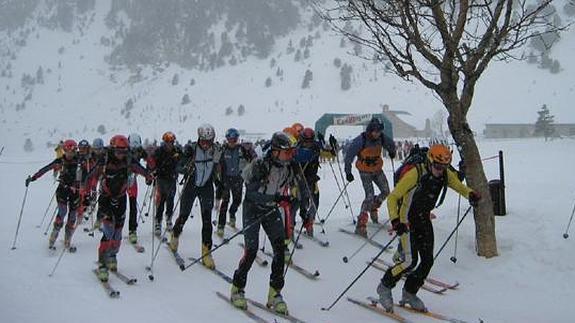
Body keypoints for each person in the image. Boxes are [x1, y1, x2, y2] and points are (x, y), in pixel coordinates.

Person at [377, 143, 481, 313]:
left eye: (444, 167)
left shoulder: (445, 174)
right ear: (430, 161)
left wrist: (470, 194)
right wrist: (396, 221)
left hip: (423, 218)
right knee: (409, 262)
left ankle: (409, 293)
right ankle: (384, 287)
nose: (440, 170)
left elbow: (459, 185)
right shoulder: (415, 174)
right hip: (406, 220)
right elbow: (393, 197)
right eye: (438, 166)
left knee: (427, 261)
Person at [230, 132, 299, 315]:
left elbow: (292, 186)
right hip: (253, 209)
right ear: (276, 151)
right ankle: (237, 288)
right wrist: (276, 197)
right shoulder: (261, 166)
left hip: (271, 209)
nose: (290, 155)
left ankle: (274, 294)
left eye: (291, 152)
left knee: (280, 249)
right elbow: (251, 194)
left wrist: (293, 195)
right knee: (251, 251)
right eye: (287, 152)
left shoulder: (288, 167)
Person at [89, 135, 153, 282]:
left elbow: (142, 170)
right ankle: (103, 265)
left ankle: (113, 256)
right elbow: (91, 175)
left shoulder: (129, 160)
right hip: (105, 200)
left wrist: (149, 177)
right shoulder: (105, 160)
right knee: (108, 232)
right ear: (112, 149)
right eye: (118, 151)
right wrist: (87, 191)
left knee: (117, 235)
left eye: (124, 152)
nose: (121, 155)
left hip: (121, 199)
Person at [169, 124, 221, 270]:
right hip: (191, 186)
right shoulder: (190, 149)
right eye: (203, 141)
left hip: (206, 187)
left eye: (209, 141)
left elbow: (217, 167)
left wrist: (219, 183)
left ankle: (206, 252)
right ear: (199, 139)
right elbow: (178, 166)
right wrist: (186, 168)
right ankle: (175, 235)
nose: (206, 144)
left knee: (207, 220)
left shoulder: (216, 150)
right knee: (184, 215)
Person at [26, 140, 85, 250]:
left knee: (72, 217)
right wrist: (33, 178)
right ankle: (53, 238)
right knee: (62, 213)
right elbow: (45, 169)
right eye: (68, 151)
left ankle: (67, 240)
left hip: (75, 192)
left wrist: (81, 186)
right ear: (64, 150)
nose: (70, 153)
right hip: (63, 190)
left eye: (73, 151)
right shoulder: (60, 161)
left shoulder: (80, 162)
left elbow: (85, 174)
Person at [344, 117, 396, 237]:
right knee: (369, 195)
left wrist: (392, 151)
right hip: (365, 171)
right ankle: (361, 224)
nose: (377, 134)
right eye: (375, 132)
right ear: (370, 130)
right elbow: (349, 156)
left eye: (379, 132)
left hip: (377, 169)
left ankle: (374, 206)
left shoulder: (381, 137)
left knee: (386, 191)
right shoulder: (360, 140)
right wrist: (348, 172)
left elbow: (390, 144)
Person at [215, 128, 256, 236]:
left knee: (237, 200)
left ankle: (232, 213)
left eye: (234, 140)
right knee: (225, 202)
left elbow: (254, 157)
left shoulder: (242, 149)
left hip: (238, 178)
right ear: (227, 139)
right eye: (230, 140)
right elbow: (217, 162)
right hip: (226, 179)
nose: (232, 142)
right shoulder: (223, 150)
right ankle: (221, 225)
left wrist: (250, 150)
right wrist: (218, 177)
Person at [293, 127, 332, 237]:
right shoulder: (297, 146)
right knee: (300, 201)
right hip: (299, 179)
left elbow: (328, 154)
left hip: (312, 179)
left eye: (310, 141)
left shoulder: (316, 146)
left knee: (315, 201)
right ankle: (291, 224)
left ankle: (309, 221)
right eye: (306, 141)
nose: (308, 143)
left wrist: (332, 148)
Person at [148, 131, 181, 236]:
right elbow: (152, 163)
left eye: (171, 142)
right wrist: (152, 172)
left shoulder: (177, 151)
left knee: (170, 200)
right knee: (161, 201)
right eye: (167, 142)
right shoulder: (159, 151)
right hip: (161, 179)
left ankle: (169, 219)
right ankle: (158, 222)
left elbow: (181, 162)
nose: (169, 144)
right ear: (164, 142)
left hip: (172, 179)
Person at [126, 133, 150, 244]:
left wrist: (151, 169)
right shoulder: (125, 151)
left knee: (132, 204)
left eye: (136, 148)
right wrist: (146, 174)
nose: (135, 150)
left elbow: (149, 159)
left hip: (131, 179)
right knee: (117, 204)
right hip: (121, 179)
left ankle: (132, 230)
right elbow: (134, 165)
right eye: (133, 148)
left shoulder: (140, 150)